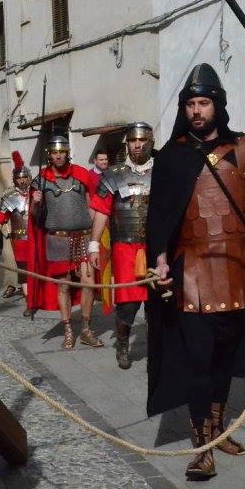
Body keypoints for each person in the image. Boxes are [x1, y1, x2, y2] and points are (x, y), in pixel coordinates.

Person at [145, 64, 245, 480]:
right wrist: (160, 261)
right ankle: (201, 445)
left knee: (226, 355)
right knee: (197, 359)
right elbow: (159, 219)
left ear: (217, 105)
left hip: (239, 270)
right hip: (192, 272)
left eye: (203, 102)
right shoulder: (171, 157)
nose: (196, 110)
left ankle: (218, 426)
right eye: (190, 104)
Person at [28, 133, 104, 348]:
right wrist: (35, 202)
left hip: (83, 236)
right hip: (57, 239)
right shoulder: (40, 181)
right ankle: (68, 329)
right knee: (63, 287)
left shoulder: (81, 174)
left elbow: (92, 205)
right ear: (49, 155)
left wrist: (94, 238)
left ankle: (86, 330)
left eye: (62, 152)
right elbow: (35, 218)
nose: (59, 156)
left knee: (89, 283)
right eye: (55, 152)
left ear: (67, 153)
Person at [91, 122, 154, 370]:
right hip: (125, 248)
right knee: (127, 302)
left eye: (142, 140)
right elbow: (101, 212)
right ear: (126, 144)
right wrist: (94, 244)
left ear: (151, 142)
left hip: (156, 247)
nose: (137, 145)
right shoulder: (113, 174)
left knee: (158, 302)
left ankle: (158, 347)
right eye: (132, 140)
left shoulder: (164, 173)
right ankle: (123, 343)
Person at [0, 151, 33, 301]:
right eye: (19, 178)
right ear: (15, 179)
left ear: (29, 177)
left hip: (34, 236)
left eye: (24, 177)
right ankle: (12, 286)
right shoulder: (9, 196)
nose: (22, 181)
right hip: (14, 232)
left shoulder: (36, 194)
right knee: (13, 262)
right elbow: (0, 218)